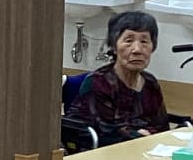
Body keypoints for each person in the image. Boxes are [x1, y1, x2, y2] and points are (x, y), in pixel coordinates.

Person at [68, 10, 170, 142]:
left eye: (144, 41)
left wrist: (147, 136)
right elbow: (105, 132)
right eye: (129, 41)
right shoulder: (99, 82)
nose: (137, 50)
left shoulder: (150, 82)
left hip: (144, 147)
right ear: (114, 47)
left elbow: (162, 127)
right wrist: (138, 135)